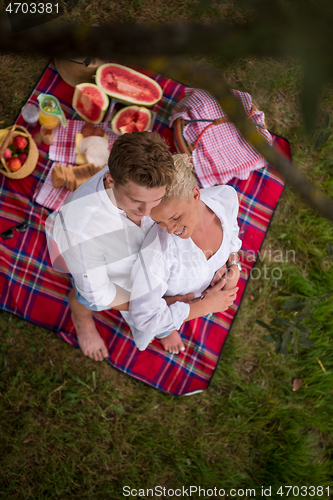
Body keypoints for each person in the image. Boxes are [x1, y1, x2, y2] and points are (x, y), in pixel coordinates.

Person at [47, 132, 184, 362]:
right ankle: (81, 320)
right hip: (99, 270)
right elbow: (98, 292)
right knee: (85, 298)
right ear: (110, 180)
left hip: (145, 257)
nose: (148, 212)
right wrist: (150, 307)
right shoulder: (81, 229)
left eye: (155, 201)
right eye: (136, 201)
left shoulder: (150, 175)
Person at [127, 154, 242, 354]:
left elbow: (232, 229)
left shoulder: (224, 197)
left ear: (195, 195)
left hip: (197, 292)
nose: (170, 229)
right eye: (160, 221)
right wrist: (203, 307)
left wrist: (233, 264)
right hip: (165, 299)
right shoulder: (157, 252)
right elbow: (144, 318)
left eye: (175, 217)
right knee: (163, 322)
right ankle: (167, 329)